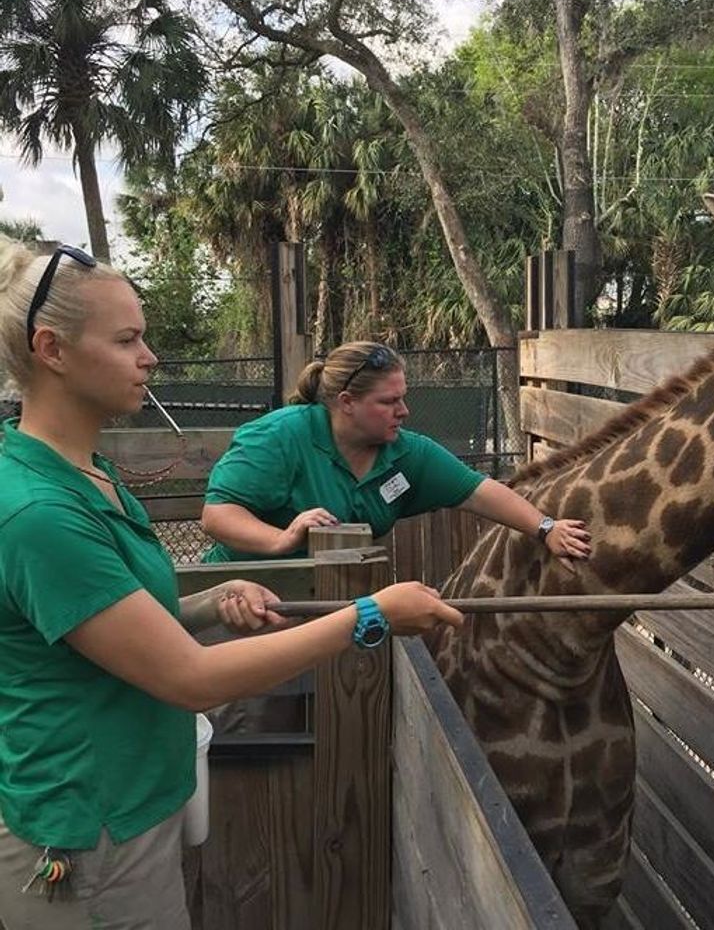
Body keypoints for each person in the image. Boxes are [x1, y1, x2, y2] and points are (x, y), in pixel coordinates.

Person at [0, 240, 463, 930]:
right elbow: (190, 680)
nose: (150, 357)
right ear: (52, 349)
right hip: (84, 841)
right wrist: (370, 615)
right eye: (128, 339)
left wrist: (211, 602)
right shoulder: (40, 512)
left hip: (130, 812)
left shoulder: (89, 473)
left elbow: (103, 631)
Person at [200, 341, 592, 567]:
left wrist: (546, 528)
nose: (403, 412)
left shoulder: (405, 454)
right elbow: (218, 516)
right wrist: (283, 539)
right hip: (245, 599)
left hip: (333, 607)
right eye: (389, 402)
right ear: (347, 402)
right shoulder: (279, 437)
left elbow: (478, 491)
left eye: (402, 398)